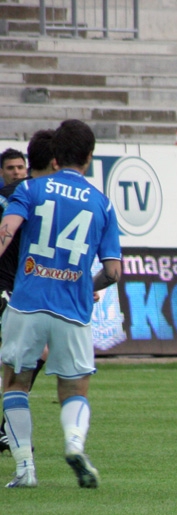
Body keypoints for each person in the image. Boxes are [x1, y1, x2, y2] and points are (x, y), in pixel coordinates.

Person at [0, 119, 122, 489]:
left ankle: (25, 470)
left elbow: (6, 233)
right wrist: (86, 284)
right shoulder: (102, 204)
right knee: (74, 388)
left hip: (27, 303)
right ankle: (74, 444)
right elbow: (114, 271)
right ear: (88, 157)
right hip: (73, 308)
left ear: (56, 156)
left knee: (15, 383)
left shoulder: (31, 190)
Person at [0, 130, 57, 454]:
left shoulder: (23, 196)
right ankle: (9, 430)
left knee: (29, 356)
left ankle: (8, 429)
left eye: (20, 167)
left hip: (17, 288)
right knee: (28, 357)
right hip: (7, 290)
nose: (17, 172)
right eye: (10, 168)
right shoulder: (28, 197)